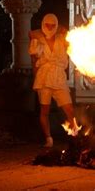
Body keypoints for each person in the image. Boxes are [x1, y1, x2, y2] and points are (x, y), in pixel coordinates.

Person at [29, 13, 75, 148]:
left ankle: (74, 134)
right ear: (43, 25)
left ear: (56, 25)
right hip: (44, 78)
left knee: (69, 109)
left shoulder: (63, 39)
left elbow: (67, 33)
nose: (49, 27)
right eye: (47, 25)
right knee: (45, 110)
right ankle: (48, 139)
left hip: (59, 77)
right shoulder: (37, 40)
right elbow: (33, 57)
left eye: (52, 25)